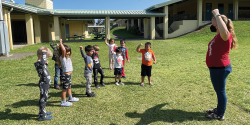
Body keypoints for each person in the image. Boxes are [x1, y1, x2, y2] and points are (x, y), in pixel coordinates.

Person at [205, 9, 237, 121]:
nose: (213, 25)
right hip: (216, 68)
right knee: (219, 90)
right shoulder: (219, 35)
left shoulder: (225, 35)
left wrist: (217, 14)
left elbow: (224, 30)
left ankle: (220, 114)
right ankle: (218, 109)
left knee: (220, 91)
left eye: (214, 23)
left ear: (220, 23)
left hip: (220, 69)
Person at [34, 47, 53, 121]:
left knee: (44, 98)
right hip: (44, 83)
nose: (46, 59)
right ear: (42, 56)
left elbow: (42, 70)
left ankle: (43, 112)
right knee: (43, 99)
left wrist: (46, 64)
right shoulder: (40, 63)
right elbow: (42, 63)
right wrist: (44, 53)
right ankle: (42, 116)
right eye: (46, 57)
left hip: (45, 83)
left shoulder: (40, 64)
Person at [58, 39, 79, 106]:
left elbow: (64, 50)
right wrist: (61, 43)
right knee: (64, 89)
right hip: (65, 76)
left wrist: (61, 46)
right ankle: (63, 102)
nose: (68, 53)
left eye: (69, 51)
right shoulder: (62, 58)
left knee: (69, 87)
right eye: (67, 52)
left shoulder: (68, 58)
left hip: (69, 75)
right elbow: (63, 50)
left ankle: (70, 98)